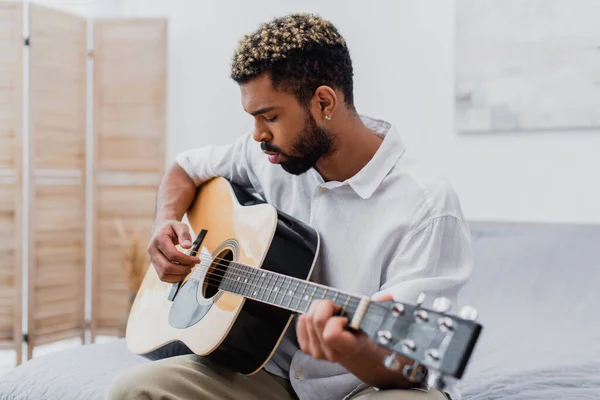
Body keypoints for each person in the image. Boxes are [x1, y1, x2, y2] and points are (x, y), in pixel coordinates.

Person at [106, 13, 473, 400]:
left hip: (363, 387)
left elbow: (408, 368)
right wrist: (163, 222)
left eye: (270, 117)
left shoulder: (427, 206)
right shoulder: (272, 153)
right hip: (262, 372)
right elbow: (184, 168)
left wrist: (349, 350)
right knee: (133, 390)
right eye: (254, 118)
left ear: (323, 102)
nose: (258, 135)